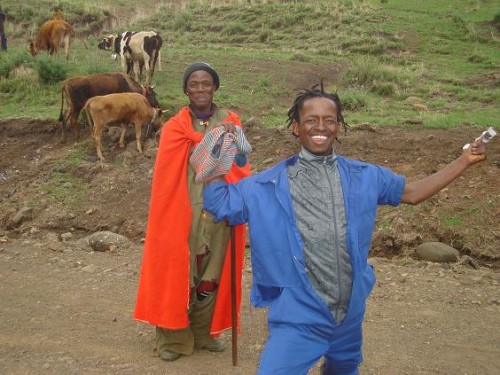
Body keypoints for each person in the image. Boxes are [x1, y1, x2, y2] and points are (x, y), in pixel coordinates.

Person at [202, 83, 488, 374]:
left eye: (329, 120)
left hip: (349, 313)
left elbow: (412, 193)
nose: (320, 127)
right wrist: (218, 156)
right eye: (311, 120)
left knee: (344, 367)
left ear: (338, 127)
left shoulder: (364, 176)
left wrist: (464, 160)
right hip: (299, 314)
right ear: (295, 127)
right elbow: (220, 204)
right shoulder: (266, 186)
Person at [133, 62, 251, 362]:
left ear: (215, 87)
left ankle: (204, 333)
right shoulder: (175, 127)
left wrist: (232, 139)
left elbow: (240, 162)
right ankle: (173, 338)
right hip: (182, 212)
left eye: (206, 83)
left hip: (220, 215)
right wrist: (208, 139)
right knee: (180, 272)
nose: (201, 89)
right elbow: (166, 177)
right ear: (186, 89)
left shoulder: (231, 120)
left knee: (212, 276)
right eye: (194, 84)